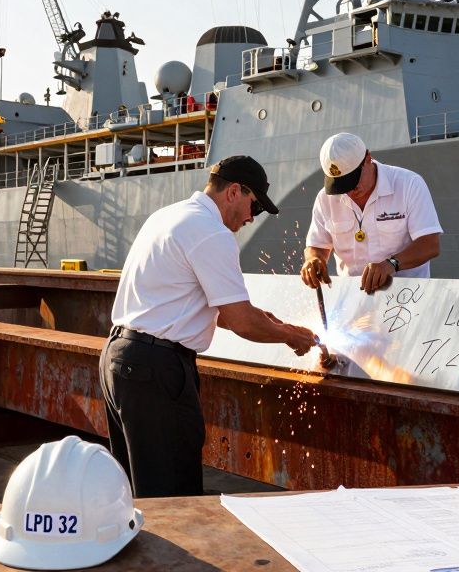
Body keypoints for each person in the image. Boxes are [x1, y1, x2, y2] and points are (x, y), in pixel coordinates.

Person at [101, 155, 318, 498]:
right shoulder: (212, 232)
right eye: (254, 206)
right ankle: (173, 555)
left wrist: (274, 323)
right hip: (156, 370)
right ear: (234, 191)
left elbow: (210, 307)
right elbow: (240, 321)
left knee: (138, 489)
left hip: (120, 358)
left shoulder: (170, 216)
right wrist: (292, 337)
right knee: (172, 495)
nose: (251, 217)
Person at [301, 133, 442, 295]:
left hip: (408, 297)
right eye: (341, 186)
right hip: (352, 299)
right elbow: (317, 246)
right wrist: (313, 260)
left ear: (368, 158)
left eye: (353, 182)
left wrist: (391, 264)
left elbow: (430, 244)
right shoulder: (325, 198)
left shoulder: (409, 184)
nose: (349, 191)